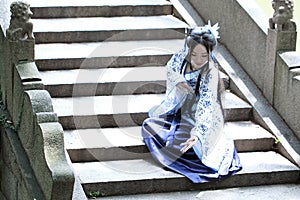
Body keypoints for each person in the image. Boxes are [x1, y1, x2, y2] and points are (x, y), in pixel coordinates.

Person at [141, 21, 242, 183]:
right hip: (180, 109)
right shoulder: (181, 56)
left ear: (210, 52)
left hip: (201, 116)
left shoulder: (211, 72)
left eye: (204, 55)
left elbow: (206, 106)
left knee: (190, 146)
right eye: (194, 55)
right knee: (149, 125)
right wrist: (177, 79)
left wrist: (198, 135)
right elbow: (170, 68)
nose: (198, 60)